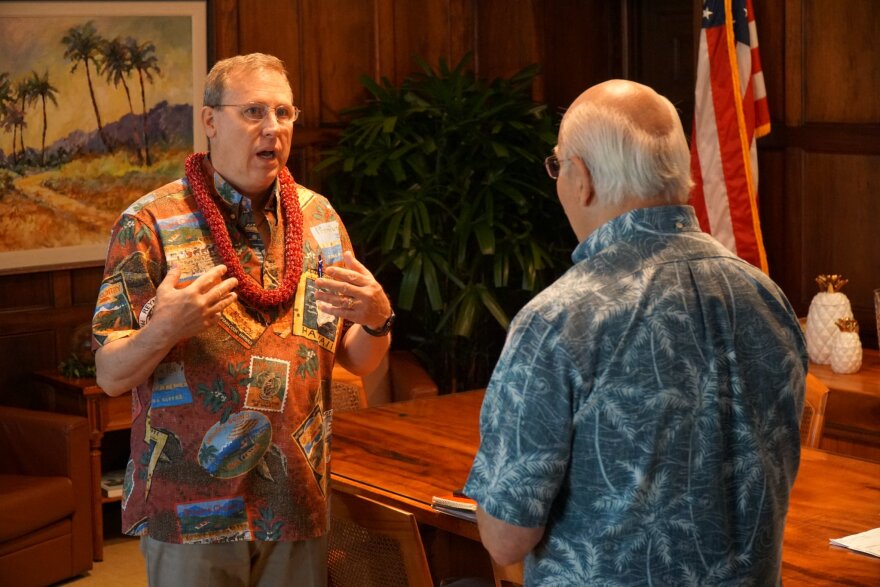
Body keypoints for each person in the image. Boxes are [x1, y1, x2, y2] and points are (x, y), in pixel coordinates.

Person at [463, 80, 807, 585]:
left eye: (557, 166)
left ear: (580, 179)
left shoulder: (558, 319)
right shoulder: (767, 297)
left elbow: (505, 539)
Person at [92, 53, 394, 586]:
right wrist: (164, 329)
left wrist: (377, 320)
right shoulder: (149, 223)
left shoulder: (319, 218)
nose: (273, 129)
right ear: (210, 121)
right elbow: (111, 374)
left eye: (284, 112)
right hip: (191, 512)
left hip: (296, 501)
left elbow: (356, 357)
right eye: (253, 111)